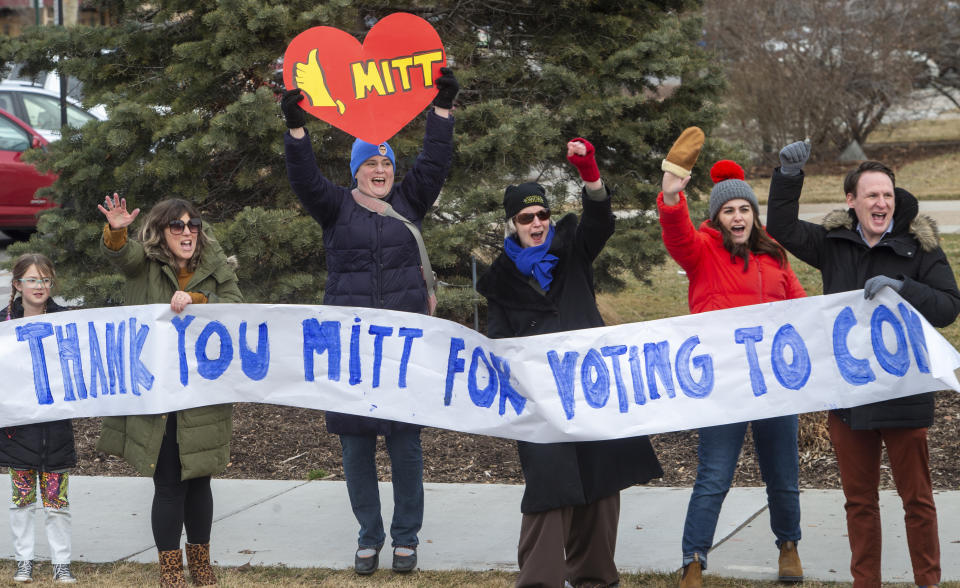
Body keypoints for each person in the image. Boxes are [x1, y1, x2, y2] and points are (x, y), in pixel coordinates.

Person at [280, 67, 459, 575]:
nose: (379, 169)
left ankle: (405, 538)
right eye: (370, 162)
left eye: (386, 162)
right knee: (356, 449)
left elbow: (435, 161)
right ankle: (368, 535)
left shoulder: (410, 201)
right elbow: (303, 178)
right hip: (351, 353)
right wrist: (297, 129)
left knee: (405, 446)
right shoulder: (335, 207)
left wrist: (441, 109)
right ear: (356, 170)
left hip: (402, 351)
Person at [767, 142, 960, 588]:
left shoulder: (919, 247)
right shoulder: (833, 244)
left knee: (918, 500)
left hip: (904, 395)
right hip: (850, 398)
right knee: (859, 501)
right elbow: (780, 227)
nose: (881, 203)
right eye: (871, 195)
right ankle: (865, 581)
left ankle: (927, 582)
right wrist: (787, 176)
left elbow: (950, 307)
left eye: (888, 195)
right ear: (851, 201)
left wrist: (903, 287)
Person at [476, 138, 663, 588]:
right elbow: (498, 345)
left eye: (542, 215)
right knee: (550, 491)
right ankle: (539, 581)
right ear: (512, 225)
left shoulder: (572, 249)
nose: (537, 223)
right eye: (526, 218)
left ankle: (596, 578)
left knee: (601, 486)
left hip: (592, 393)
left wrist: (590, 174)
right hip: (541, 405)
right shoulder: (498, 282)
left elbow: (601, 219)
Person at [657, 140, 807, 587]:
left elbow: (802, 311)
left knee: (783, 474)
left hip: (773, 387)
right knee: (714, 476)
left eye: (745, 209)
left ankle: (789, 546)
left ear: (754, 215)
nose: (738, 217)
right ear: (717, 217)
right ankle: (694, 559)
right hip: (721, 386)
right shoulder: (701, 251)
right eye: (729, 211)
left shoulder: (774, 255)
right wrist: (670, 195)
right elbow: (677, 232)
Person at [95, 195, 243, 588]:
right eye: (177, 225)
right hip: (157, 397)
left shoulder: (215, 266)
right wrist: (116, 229)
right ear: (161, 232)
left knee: (199, 481)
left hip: (201, 395)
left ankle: (202, 564)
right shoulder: (144, 264)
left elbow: (236, 306)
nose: (187, 232)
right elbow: (120, 254)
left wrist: (196, 300)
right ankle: (171, 570)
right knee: (169, 483)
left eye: (192, 224)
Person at [0, 254, 77, 584]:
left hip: (55, 430)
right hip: (18, 432)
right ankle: (24, 560)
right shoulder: (2, 327)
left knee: (57, 503)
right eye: (32, 279)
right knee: (21, 502)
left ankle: (62, 562)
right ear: (17, 284)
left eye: (46, 279)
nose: (40, 286)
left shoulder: (68, 323)